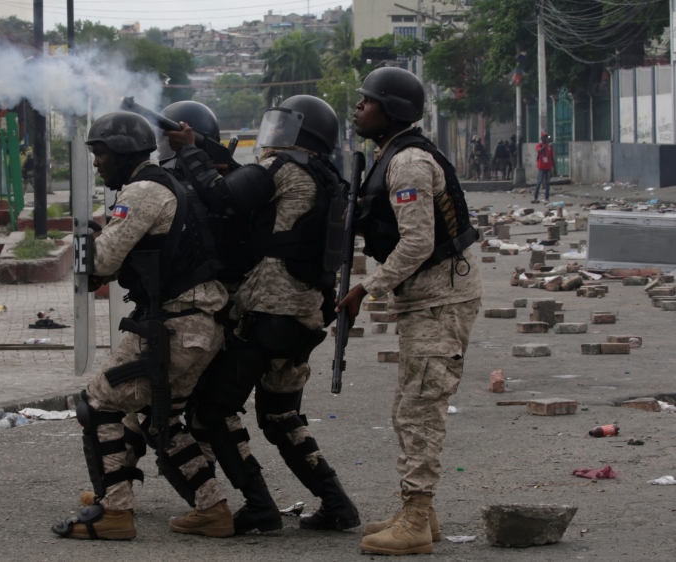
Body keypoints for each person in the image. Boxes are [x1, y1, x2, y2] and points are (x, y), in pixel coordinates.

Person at [168, 95, 361, 535]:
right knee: (280, 416)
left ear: (298, 131)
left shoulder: (285, 168)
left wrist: (188, 151)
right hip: (305, 314)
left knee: (215, 410)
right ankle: (336, 504)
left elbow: (221, 198)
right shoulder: (326, 176)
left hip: (267, 310)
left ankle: (259, 505)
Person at [51, 112, 234, 540]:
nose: (97, 163)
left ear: (121, 152)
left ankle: (115, 512)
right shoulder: (167, 184)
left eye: (100, 153)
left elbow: (104, 260)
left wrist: (84, 246)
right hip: (198, 326)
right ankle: (213, 509)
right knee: (160, 417)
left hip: (173, 329)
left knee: (97, 404)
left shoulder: (143, 189)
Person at [338, 67, 482, 556]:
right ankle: (419, 511)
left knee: (420, 409)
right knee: (408, 407)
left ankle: (417, 519)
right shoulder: (390, 155)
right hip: (426, 297)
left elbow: (419, 241)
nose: (359, 108)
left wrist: (367, 289)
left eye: (368, 101)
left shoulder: (410, 163)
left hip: (442, 299)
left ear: (392, 110)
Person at [534, 132, 555, 203]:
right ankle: (535, 197)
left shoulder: (550, 148)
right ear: (541, 138)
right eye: (544, 137)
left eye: (547, 137)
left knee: (548, 183)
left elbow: (552, 158)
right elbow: (540, 151)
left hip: (548, 167)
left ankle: (547, 198)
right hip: (541, 167)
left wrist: (554, 169)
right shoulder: (539, 145)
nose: (546, 138)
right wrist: (546, 144)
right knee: (539, 182)